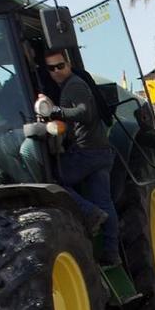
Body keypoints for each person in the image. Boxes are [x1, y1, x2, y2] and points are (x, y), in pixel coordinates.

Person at [36, 49, 118, 265]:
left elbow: (84, 112)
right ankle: (112, 254)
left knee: (52, 180)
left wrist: (54, 110)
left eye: (60, 66)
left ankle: (89, 213)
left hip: (87, 152)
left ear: (68, 64)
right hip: (100, 152)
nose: (56, 71)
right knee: (105, 203)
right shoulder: (70, 85)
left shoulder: (75, 85)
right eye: (51, 68)